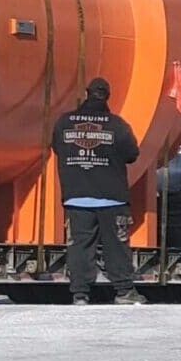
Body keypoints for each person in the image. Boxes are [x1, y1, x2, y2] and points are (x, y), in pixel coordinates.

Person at [51, 77, 146, 305]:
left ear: (86, 94)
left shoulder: (65, 122)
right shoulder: (116, 125)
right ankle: (124, 291)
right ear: (107, 96)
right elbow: (132, 154)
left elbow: (56, 147)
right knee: (116, 246)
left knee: (80, 246)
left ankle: (80, 294)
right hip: (111, 197)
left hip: (77, 197)